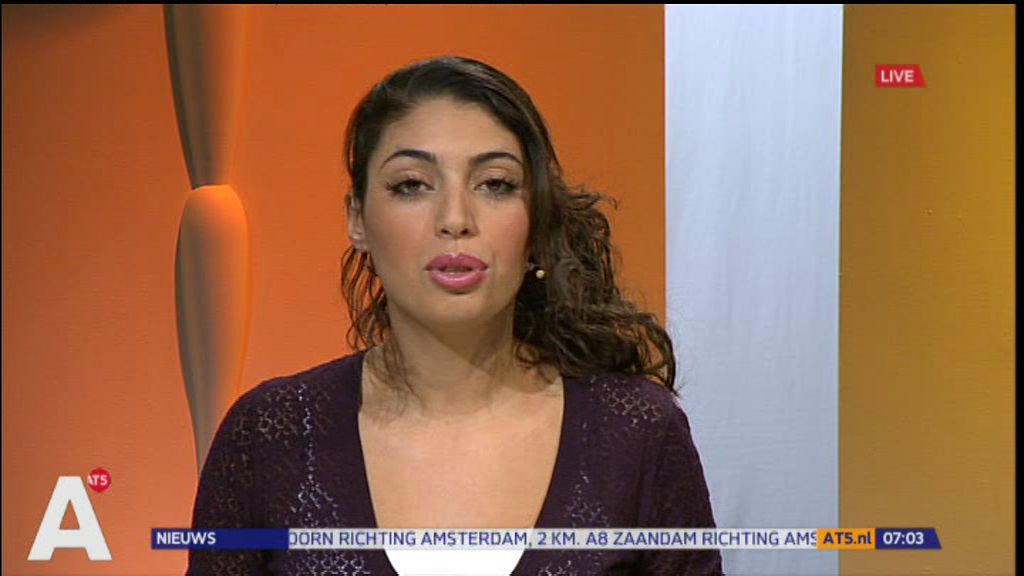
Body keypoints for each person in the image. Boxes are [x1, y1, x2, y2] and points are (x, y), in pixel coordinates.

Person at [188, 55, 722, 575]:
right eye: (412, 185)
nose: (455, 218)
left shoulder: (636, 431)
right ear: (357, 218)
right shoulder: (270, 434)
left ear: (536, 219)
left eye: (495, 184)